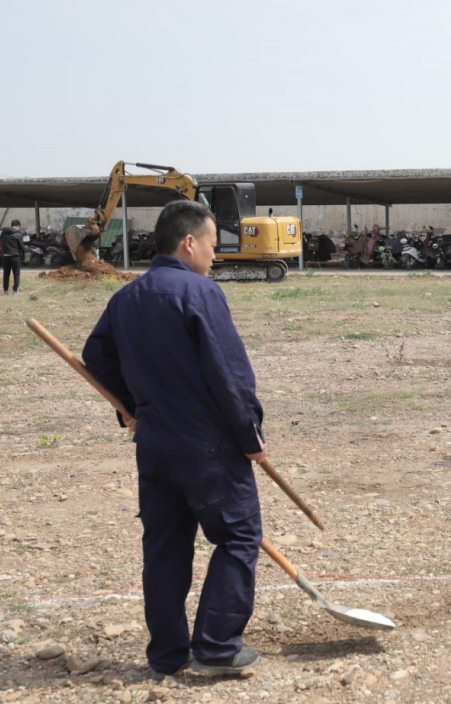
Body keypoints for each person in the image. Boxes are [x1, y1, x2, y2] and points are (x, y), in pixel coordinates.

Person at [83, 200, 266, 679]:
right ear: (189, 242)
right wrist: (250, 434)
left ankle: (167, 655)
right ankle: (217, 648)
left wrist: (130, 407)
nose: (214, 255)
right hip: (208, 447)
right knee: (239, 536)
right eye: (211, 244)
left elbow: (96, 358)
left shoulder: (126, 297)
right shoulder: (199, 292)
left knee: (164, 548)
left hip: (155, 446)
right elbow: (228, 374)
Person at [0, 219, 24, 295]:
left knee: (6, 274)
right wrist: (24, 251)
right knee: (16, 274)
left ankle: (6, 291)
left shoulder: (4, 233)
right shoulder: (18, 234)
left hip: (6, 255)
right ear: (18, 226)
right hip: (15, 256)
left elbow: (1, 242)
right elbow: (21, 246)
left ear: (12, 225)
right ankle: (15, 290)